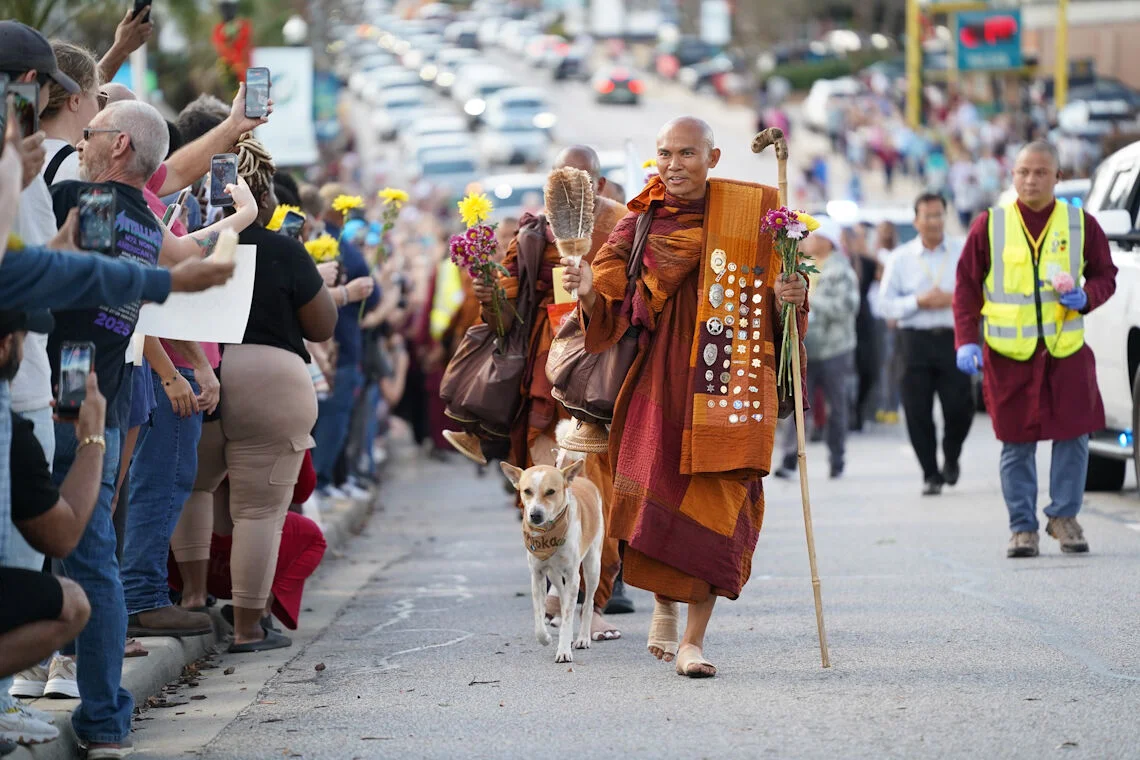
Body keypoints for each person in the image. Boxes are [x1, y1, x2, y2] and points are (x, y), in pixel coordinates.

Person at [43, 100, 255, 755]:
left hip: (69, 384)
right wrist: (238, 221)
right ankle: (101, 710)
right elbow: (188, 255)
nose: (80, 141)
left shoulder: (92, 201)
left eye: (92, 134)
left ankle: (100, 712)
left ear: (116, 148)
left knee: (80, 547)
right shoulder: (143, 218)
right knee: (91, 542)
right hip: (105, 394)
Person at [561, 118, 808, 677]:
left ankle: (694, 642)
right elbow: (607, 289)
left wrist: (792, 293)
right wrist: (587, 292)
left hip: (729, 379)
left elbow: (780, 293)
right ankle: (664, 606)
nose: (673, 165)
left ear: (713, 157)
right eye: (665, 154)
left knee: (717, 500)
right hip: (660, 382)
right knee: (657, 496)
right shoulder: (642, 220)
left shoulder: (757, 212)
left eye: (687, 154)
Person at [454, 145, 629, 641]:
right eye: (560, 179)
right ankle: (556, 583)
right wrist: (490, 297)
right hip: (545, 383)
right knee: (545, 482)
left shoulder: (623, 225)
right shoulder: (533, 233)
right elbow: (509, 319)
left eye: (581, 179)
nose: (571, 189)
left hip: (602, 381)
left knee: (597, 489)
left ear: (599, 182)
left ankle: (594, 601)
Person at [179, 134, 337, 653]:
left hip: (198, 372)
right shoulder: (283, 250)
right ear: (263, 198)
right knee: (258, 513)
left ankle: (193, 602)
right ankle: (248, 626)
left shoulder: (192, 241)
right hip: (272, 380)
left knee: (196, 490)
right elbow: (321, 325)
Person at [953, 141, 1117, 558]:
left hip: (1066, 351)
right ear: (1012, 176)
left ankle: (1064, 517)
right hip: (1009, 355)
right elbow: (967, 290)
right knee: (1016, 442)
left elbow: (1106, 274)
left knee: (1074, 436)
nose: (1031, 180)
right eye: (1023, 172)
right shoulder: (989, 225)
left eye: (1041, 172)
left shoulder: (1081, 224)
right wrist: (966, 340)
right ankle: (1022, 528)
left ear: (1058, 178)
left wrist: (1088, 295)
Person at [879, 193, 974, 495]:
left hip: (953, 338)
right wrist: (917, 302)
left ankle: (952, 453)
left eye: (938, 215)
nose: (934, 221)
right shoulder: (900, 258)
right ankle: (930, 473)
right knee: (917, 411)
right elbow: (884, 304)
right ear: (916, 220)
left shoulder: (963, 251)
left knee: (961, 407)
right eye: (928, 216)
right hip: (913, 342)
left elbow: (980, 291)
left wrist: (953, 299)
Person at [775, 216, 858, 479]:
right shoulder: (802, 266)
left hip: (835, 349)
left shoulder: (841, 270)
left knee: (836, 406)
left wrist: (809, 304)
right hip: (805, 347)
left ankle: (837, 458)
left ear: (827, 240)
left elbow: (847, 307)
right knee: (797, 403)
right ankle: (790, 458)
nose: (808, 241)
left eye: (814, 237)